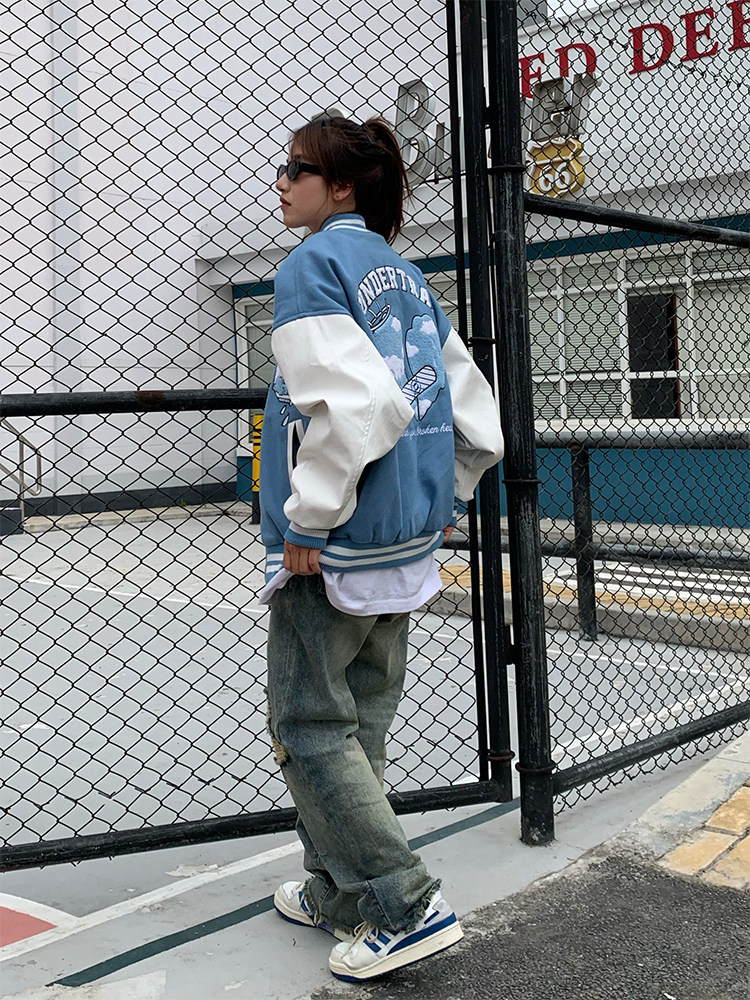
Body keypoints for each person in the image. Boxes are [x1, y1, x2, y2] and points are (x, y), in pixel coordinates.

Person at [259, 115, 504, 982]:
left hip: (335, 546)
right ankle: (337, 891)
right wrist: (445, 494)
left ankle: (403, 904)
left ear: (340, 187)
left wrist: (311, 518)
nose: (281, 181)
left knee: (307, 726)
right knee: (358, 724)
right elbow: (474, 415)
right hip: (404, 541)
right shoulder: (406, 277)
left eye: (297, 169)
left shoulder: (312, 266)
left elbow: (358, 407)